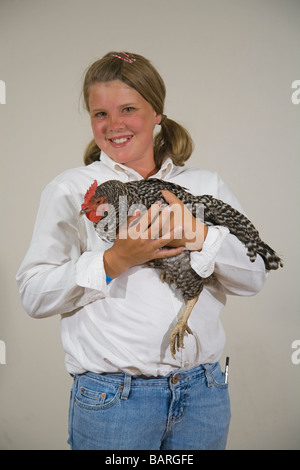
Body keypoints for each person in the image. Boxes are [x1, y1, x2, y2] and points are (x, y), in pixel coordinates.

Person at [16, 51, 268, 450]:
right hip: (115, 401)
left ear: (157, 115)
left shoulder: (205, 184)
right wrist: (114, 260)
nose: (113, 124)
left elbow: (254, 278)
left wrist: (201, 235)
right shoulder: (70, 188)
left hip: (204, 393)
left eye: (128, 109)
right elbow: (33, 294)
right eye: (100, 113)